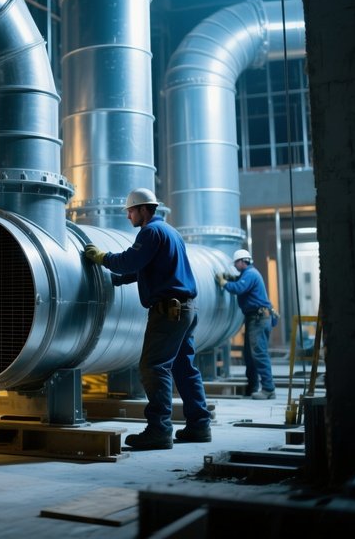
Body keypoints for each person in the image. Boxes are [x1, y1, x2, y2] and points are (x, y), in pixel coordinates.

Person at [83, 188, 212, 450]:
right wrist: (119, 280)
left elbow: (131, 261)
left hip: (168, 312)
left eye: (131, 210)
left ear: (144, 210)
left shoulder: (150, 232)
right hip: (186, 309)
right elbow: (150, 267)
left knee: (153, 367)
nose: (128, 215)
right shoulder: (171, 232)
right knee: (184, 369)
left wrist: (102, 258)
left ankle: (159, 430)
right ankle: (199, 425)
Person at [217, 249, 277, 399]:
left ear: (243, 261)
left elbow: (239, 288)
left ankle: (268, 389)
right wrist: (231, 277)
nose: (235, 265)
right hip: (254, 318)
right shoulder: (247, 274)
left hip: (258, 318)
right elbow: (238, 280)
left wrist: (224, 282)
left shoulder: (250, 274)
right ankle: (252, 387)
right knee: (250, 355)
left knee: (259, 353)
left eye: (236, 263)